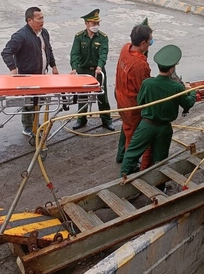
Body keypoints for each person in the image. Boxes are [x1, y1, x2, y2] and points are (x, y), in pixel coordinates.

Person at [120, 45, 196, 176]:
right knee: (160, 160)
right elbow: (188, 103)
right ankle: (160, 186)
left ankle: (123, 180)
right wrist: (192, 91)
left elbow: (140, 102)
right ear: (172, 68)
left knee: (132, 154)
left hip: (146, 125)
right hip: (164, 129)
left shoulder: (147, 83)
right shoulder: (177, 87)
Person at [1, 7, 59, 136]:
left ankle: (34, 123)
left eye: (43, 17)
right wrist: (13, 69)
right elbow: (6, 52)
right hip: (27, 76)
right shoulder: (21, 36)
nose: (42, 21)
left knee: (40, 101)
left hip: (42, 74)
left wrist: (53, 65)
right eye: (39, 18)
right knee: (29, 103)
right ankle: (28, 127)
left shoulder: (44, 33)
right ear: (29, 20)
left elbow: (48, 50)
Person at [115, 19, 152, 167]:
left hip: (121, 99)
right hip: (133, 106)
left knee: (127, 129)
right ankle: (130, 168)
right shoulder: (140, 65)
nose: (150, 44)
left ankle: (123, 157)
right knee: (137, 138)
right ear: (143, 43)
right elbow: (144, 91)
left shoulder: (125, 49)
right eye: (150, 41)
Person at [70, 9, 114, 131]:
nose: (96, 26)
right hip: (83, 71)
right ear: (86, 24)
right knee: (82, 96)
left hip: (97, 71)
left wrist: (100, 66)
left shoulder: (103, 38)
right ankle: (81, 119)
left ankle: (107, 120)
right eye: (93, 23)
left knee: (102, 96)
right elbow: (75, 54)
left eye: (98, 23)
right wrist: (74, 67)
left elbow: (103, 53)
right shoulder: (79, 37)